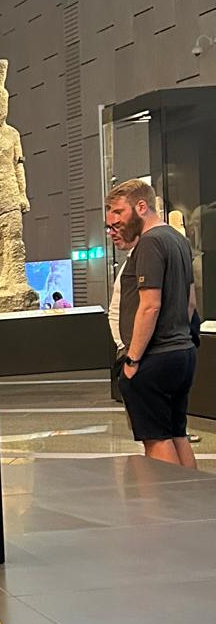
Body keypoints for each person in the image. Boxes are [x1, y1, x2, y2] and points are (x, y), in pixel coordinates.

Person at [105, 179, 198, 467]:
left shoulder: (149, 243)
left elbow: (150, 305)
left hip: (153, 358)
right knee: (176, 433)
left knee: (156, 440)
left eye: (119, 212)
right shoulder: (178, 240)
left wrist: (132, 359)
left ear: (141, 206)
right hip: (181, 353)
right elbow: (190, 302)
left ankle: (165, 511)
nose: (113, 220)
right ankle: (195, 506)